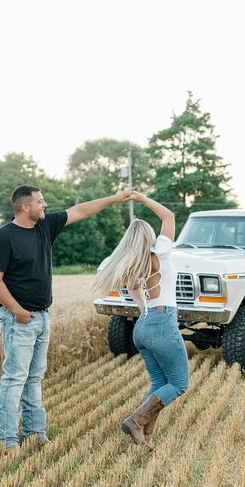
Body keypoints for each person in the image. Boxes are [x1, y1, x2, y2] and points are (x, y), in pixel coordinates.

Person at [0, 185, 132, 449]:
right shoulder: (2, 237)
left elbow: (80, 210)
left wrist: (114, 199)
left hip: (42, 317)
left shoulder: (45, 226)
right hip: (18, 320)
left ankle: (35, 433)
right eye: (40, 202)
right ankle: (6, 440)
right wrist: (18, 311)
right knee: (15, 378)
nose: (45, 205)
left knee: (34, 377)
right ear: (24, 207)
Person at [92, 191, 189, 448]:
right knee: (179, 384)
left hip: (143, 324)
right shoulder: (160, 252)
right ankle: (136, 421)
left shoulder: (133, 264)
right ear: (149, 237)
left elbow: (136, 295)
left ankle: (144, 436)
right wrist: (144, 199)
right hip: (161, 321)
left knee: (159, 382)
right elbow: (168, 216)